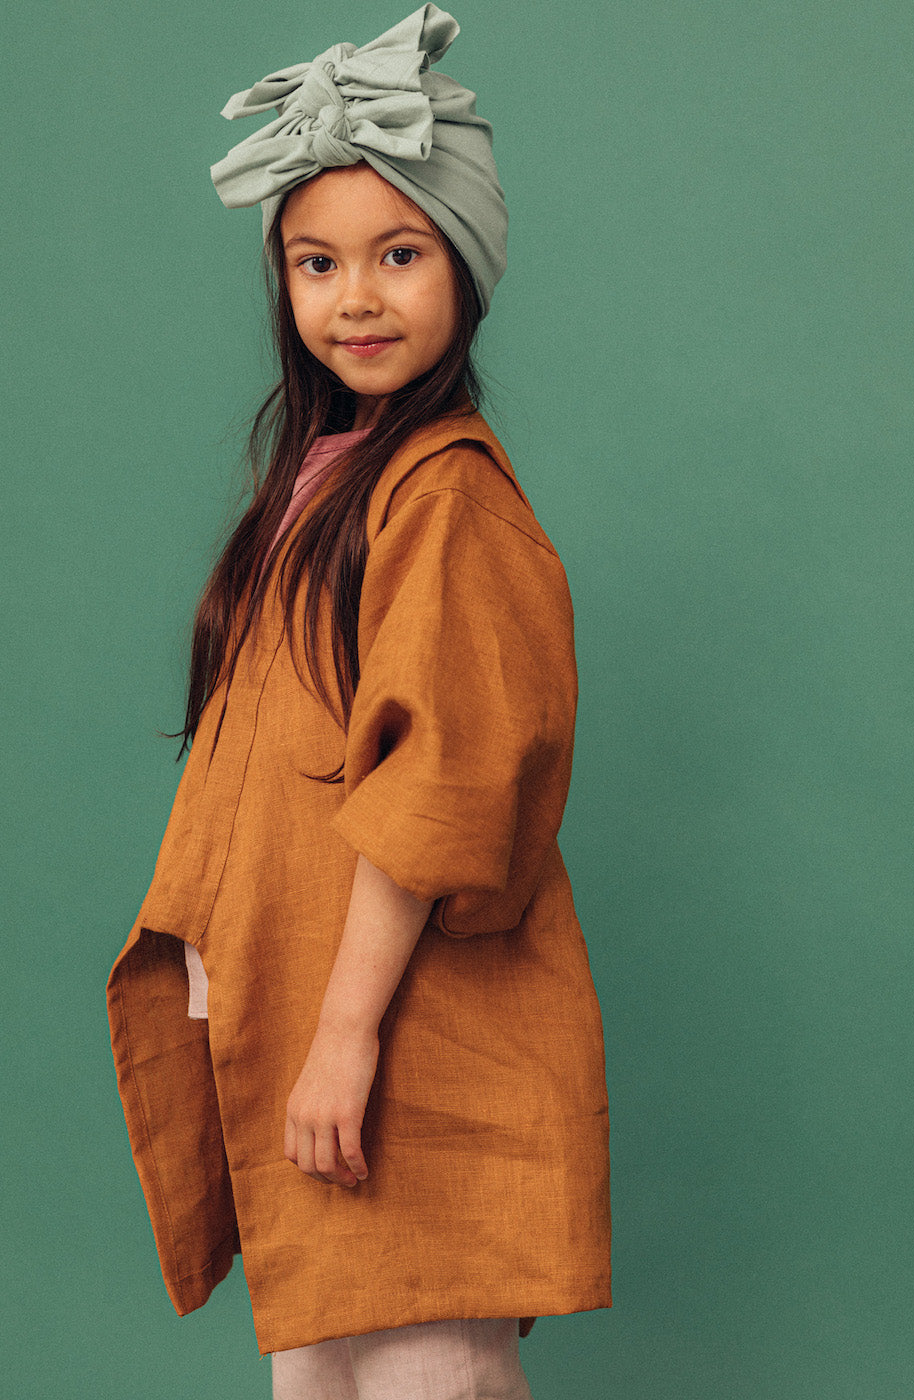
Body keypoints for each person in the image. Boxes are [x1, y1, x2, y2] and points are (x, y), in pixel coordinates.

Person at [107, 7, 611, 1398]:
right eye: (316, 263)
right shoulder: (330, 482)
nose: (357, 299)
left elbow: (442, 783)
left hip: (392, 1048)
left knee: (428, 1367)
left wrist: (340, 1044)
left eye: (400, 255)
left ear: (467, 266)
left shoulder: (445, 500)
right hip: (308, 1036)